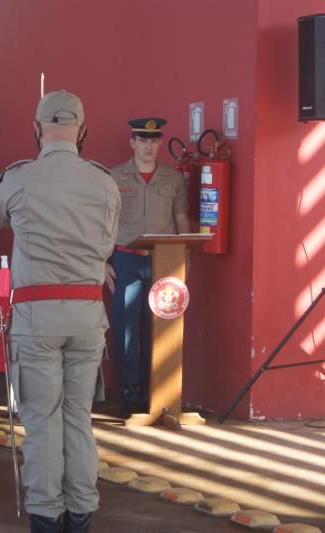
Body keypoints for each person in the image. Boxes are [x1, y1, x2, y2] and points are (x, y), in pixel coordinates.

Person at [0, 91, 120, 533]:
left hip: (37, 317)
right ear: (82, 131)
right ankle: (81, 514)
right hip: (87, 316)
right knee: (77, 419)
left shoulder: (18, 178)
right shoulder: (104, 182)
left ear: (36, 128)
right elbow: (109, 237)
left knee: (43, 421)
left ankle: (47, 516)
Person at [106, 118, 190, 418]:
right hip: (125, 260)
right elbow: (103, 223)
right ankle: (130, 394)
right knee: (126, 329)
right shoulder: (115, 177)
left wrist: (184, 262)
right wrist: (102, 262)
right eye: (142, 140)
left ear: (160, 143)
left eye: (154, 141)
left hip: (162, 261)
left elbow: (181, 220)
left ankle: (154, 393)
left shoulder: (172, 178)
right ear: (132, 142)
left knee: (158, 329)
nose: (148, 146)